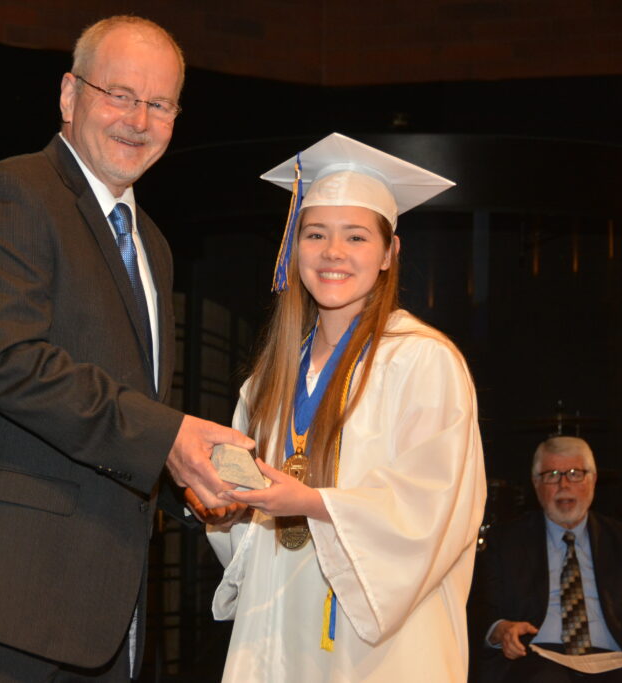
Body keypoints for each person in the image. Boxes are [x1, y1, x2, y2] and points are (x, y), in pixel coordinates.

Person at [0, 15, 253, 682]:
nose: (138, 120)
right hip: (0, 606)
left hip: (103, 617)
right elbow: (7, 362)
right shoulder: (10, 193)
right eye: (119, 94)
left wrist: (186, 479)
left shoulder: (153, 245)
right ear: (69, 96)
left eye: (159, 103)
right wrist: (169, 436)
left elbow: (123, 411)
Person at [203, 133, 487, 681]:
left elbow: (435, 510)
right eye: (315, 234)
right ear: (294, 248)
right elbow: (250, 524)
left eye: (355, 236)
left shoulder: (423, 362)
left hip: (377, 643)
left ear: (388, 253)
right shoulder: (268, 380)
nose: (333, 252)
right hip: (278, 627)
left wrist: (313, 503)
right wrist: (226, 508)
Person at [478, 436, 622, 682]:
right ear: (536, 484)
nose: (564, 484)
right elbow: (483, 610)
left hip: (612, 657)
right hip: (537, 656)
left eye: (574, 473)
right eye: (552, 475)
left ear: (592, 480)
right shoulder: (506, 540)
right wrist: (500, 630)